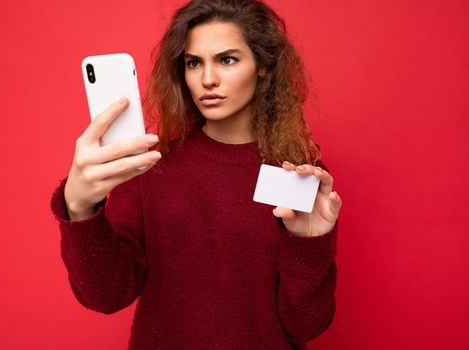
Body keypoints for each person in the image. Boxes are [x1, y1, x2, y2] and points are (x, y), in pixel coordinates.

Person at [50, 0, 342, 349]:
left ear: (263, 66)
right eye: (193, 63)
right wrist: (80, 210)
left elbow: (306, 325)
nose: (207, 79)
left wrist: (310, 246)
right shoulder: (150, 166)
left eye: (227, 59)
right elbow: (106, 295)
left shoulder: (297, 175)